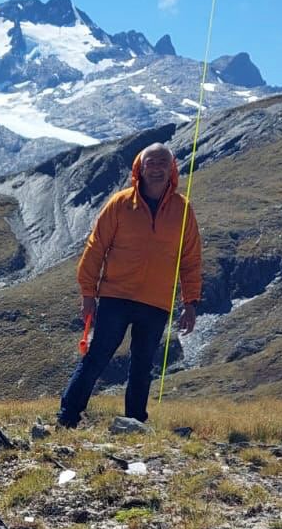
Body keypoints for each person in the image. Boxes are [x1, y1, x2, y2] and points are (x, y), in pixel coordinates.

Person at [57, 143, 201, 428]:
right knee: (98, 357)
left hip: (156, 303)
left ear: (172, 168)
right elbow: (95, 248)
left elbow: (191, 260)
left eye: (163, 162)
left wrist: (191, 303)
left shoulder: (184, 210)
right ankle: (67, 417)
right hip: (116, 297)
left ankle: (134, 422)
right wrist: (88, 293)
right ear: (140, 167)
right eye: (151, 162)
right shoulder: (120, 203)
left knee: (142, 367)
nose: (157, 168)